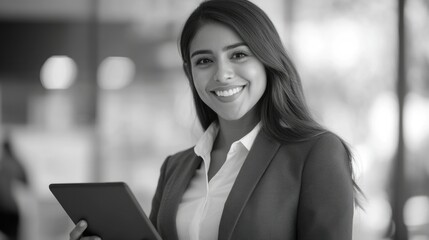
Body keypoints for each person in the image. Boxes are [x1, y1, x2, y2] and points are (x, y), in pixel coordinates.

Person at [69, 0, 362, 239]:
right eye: (204, 61)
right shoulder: (174, 168)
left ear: (267, 60)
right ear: (190, 73)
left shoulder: (316, 153)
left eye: (238, 55)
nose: (222, 74)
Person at [0, 133, 28, 240]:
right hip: (11, 207)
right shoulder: (16, 163)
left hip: (5, 206)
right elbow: (26, 181)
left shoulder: (4, 163)